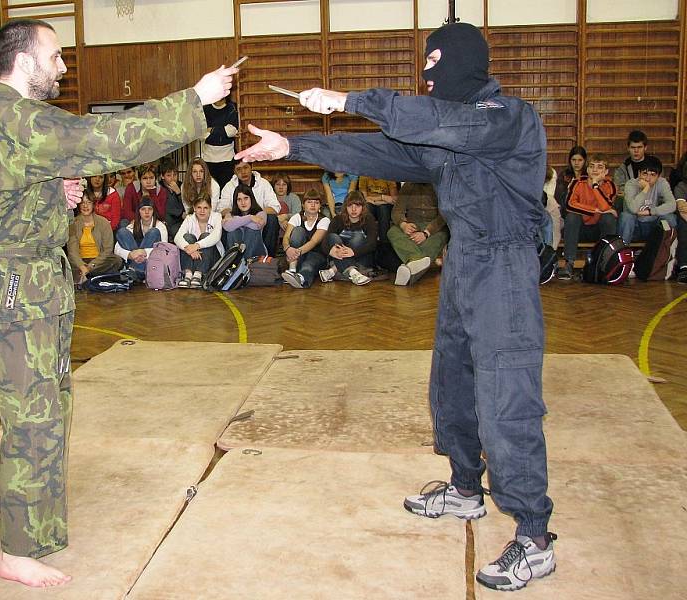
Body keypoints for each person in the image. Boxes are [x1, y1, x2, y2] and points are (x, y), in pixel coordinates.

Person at [236, 22, 556, 591]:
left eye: (435, 63)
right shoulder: (445, 130)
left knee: (507, 396)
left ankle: (534, 535)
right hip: (464, 262)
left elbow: (441, 122)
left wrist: (349, 100)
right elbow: (383, 149)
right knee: (451, 381)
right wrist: (295, 145)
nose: (428, 75)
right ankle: (464, 487)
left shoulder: (510, 119)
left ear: (463, 65)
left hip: (504, 267)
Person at [0, 18, 235, 588]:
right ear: (25, 61)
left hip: (27, 281)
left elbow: (2, 196)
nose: (62, 67)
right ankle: (18, 546)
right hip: (20, 287)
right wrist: (194, 101)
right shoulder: (17, 118)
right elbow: (102, 141)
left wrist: (49, 191)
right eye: (55, 57)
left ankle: (17, 494)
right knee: (34, 406)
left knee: (40, 397)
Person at [556, 155, 617, 280]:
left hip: (599, 231)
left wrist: (595, 185)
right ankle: (569, 263)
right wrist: (594, 210)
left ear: (605, 172)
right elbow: (570, 205)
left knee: (608, 218)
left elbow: (605, 208)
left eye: (600, 167)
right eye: (592, 166)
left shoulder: (610, 185)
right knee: (572, 217)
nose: (595, 170)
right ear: (587, 170)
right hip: (579, 230)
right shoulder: (577, 183)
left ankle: (604, 264)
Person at [387, 182, 448, 286]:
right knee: (392, 232)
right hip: (413, 224)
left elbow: (444, 215)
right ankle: (416, 258)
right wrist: (403, 224)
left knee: (440, 236)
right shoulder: (408, 185)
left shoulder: (440, 185)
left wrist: (426, 233)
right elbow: (397, 211)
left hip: (434, 227)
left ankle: (409, 271)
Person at [218, 159, 281, 255]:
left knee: (272, 219)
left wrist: (256, 214)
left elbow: (274, 207)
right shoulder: (229, 186)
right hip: (237, 221)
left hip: (259, 221)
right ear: (235, 172)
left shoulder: (263, 184)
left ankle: (268, 258)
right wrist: (240, 217)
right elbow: (222, 208)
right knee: (223, 221)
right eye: (239, 169)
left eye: (245, 167)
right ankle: (229, 258)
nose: (243, 172)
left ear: (251, 167)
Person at [319, 190, 376, 285]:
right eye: (350, 206)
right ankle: (352, 272)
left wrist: (353, 252)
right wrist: (330, 251)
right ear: (345, 207)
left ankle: (333, 270)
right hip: (339, 256)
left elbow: (372, 244)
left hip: (361, 258)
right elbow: (325, 242)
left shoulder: (368, 219)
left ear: (363, 207)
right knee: (332, 236)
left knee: (357, 237)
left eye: (357, 206)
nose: (353, 209)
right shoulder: (337, 219)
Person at [619, 155, 677, 245]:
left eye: (653, 175)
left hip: (654, 226)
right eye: (645, 173)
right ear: (639, 173)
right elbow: (633, 209)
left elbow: (672, 205)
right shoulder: (631, 184)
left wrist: (650, 212)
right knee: (626, 217)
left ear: (659, 176)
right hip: (635, 227)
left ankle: (667, 252)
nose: (647, 178)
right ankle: (622, 250)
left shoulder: (662, 183)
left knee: (670, 217)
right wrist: (645, 189)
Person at [280, 189, 329, 289]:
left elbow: (314, 241)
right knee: (298, 231)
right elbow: (286, 237)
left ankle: (301, 279)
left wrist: (295, 253)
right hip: (297, 256)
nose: (313, 205)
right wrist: (287, 248)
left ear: (320, 206)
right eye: (309, 202)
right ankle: (292, 269)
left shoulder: (324, 220)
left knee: (308, 265)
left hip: (316, 254)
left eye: (316, 202)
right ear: (303, 204)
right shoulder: (297, 217)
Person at [66, 196, 122, 283]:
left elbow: (107, 250)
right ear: (78, 205)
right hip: (80, 261)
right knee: (66, 263)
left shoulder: (103, 222)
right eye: (82, 203)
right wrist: (82, 265)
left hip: (98, 262)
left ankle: (86, 275)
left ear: (93, 204)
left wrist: (90, 266)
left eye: (88, 202)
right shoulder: (73, 224)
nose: (85, 206)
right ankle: (93, 276)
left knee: (116, 261)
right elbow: (72, 250)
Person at [174, 195, 223, 288]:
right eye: (199, 207)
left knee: (205, 236)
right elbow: (177, 237)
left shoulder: (217, 217)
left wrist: (197, 245)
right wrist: (188, 248)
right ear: (194, 208)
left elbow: (216, 236)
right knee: (188, 237)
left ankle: (198, 275)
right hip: (192, 258)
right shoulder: (189, 218)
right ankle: (187, 275)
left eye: (205, 208)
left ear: (210, 208)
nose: (202, 211)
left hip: (212, 258)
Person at [114, 197, 168, 281]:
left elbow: (164, 250)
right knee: (122, 232)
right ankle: (136, 270)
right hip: (133, 259)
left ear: (153, 211)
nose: (147, 212)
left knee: (154, 232)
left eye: (149, 209)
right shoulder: (133, 225)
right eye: (143, 209)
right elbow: (117, 248)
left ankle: (136, 269)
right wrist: (130, 254)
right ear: (139, 211)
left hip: (151, 263)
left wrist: (144, 252)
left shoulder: (160, 226)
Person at [222, 183, 267, 259]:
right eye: (239, 199)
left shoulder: (261, 213)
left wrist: (235, 221)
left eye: (246, 198)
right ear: (235, 202)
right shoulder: (230, 214)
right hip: (235, 255)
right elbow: (227, 227)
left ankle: (244, 263)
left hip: (256, 255)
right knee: (233, 231)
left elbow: (256, 226)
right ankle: (238, 262)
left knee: (251, 230)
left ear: (251, 199)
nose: (243, 203)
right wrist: (250, 218)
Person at [203, 97, 239, 189]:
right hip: (209, 157)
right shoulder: (205, 110)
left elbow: (232, 131)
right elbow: (201, 134)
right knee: (210, 190)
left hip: (227, 157)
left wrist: (211, 129)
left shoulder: (232, 108)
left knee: (226, 190)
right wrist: (224, 130)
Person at [614, 130, 648, 205]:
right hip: (629, 204)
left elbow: (658, 188)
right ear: (628, 148)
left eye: (639, 147)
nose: (636, 150)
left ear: (645, 148)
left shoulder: (654, 166)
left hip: (649, 202)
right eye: (633, 147)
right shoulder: (622, 168)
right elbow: (619, 190)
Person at [358, 176, 398, 241]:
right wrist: (382, 197)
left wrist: (375, 201)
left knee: (383, 209)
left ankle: (384, 242)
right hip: (372, 204)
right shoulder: (364, 176)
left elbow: (394, 199)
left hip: (385, 205)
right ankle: (368, 240)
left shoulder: (389, 176)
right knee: (367, 207)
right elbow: (363, 198)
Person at [553, 145, 587, 212]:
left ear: (585, 161)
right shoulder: (564, 174)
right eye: (573, 160)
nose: (576, 163)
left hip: (585, 208)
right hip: (567, 209)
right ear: (570, 160)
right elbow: (558, 197)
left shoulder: (589, 175)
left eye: (580, 160)